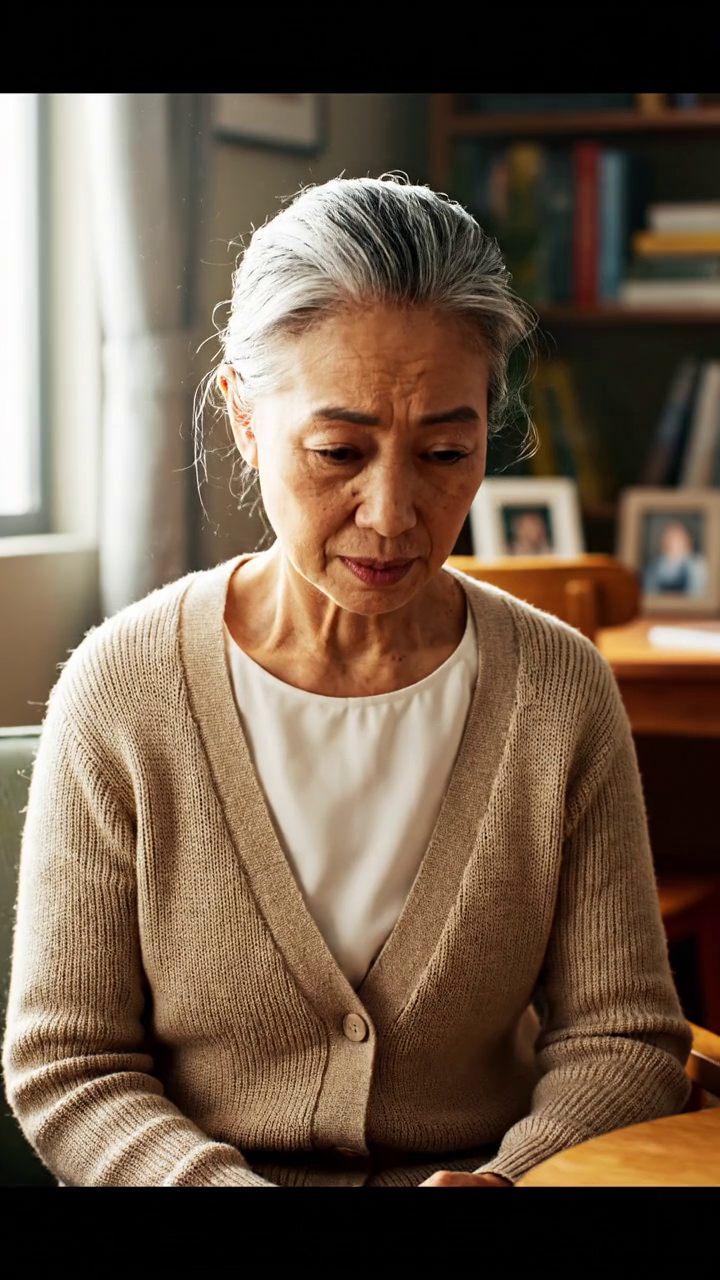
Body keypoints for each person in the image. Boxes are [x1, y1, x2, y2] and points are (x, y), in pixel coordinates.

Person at [3, 175, 692, 1188]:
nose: (392, 512)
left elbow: (623, 1035)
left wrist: (511, 1179)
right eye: (338, 451)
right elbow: (69, 1066)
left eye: (446, 452)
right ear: (244, 418)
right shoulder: (123, 689)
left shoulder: (558, 689)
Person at [643, 519, 708, 596]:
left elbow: (696, 593)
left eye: (675, 538)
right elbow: (650, 591)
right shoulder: (655, 564)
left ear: (688, 541)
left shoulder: (697, 564)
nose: (670, 542)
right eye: (667, 537)